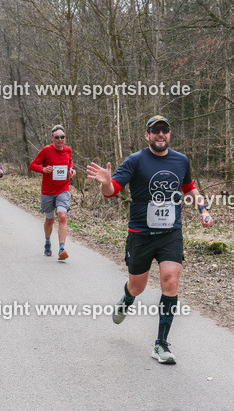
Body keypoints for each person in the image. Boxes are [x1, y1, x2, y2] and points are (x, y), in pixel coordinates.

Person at [86, 115, 213, 365]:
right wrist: (104, 184)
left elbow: (189, 187)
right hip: (140, 235)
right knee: (138, 286)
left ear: (169, 134)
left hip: (170, 233)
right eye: (155, 131)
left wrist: (203, 209)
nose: (160, 134)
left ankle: (161, 344)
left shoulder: (181, 160)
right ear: (147, 136)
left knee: (170, 280)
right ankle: (127, 298)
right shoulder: (135, 161)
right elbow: (112, 190)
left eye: (165, 130)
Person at [30, 124, 76, 260]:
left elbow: (70, 163)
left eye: (62, 137)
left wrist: (72, 170)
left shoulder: (68, 150)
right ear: (52, 138)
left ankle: (62, 248)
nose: (60, 139)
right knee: (49, 220)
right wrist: (43, 170)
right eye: (57, 137)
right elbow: (32, 165)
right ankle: (47, 242)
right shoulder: (46, 151)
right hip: (48, 191)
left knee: (62, 216)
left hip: (63, 189)